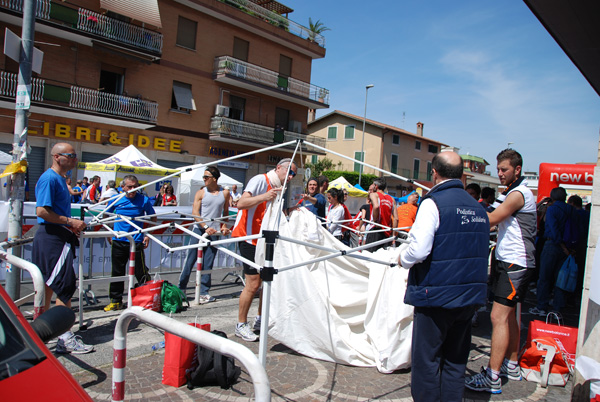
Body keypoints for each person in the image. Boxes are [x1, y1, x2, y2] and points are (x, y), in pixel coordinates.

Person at [400, 151, 489, 402]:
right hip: (468, 297)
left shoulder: (433, 202)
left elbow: (418, 250)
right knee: (455, 361)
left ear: (434, 173)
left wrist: (401, 259)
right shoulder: (478, 208)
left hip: (436, 295)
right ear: (462, 174)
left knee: (427, 360)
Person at [465, 149, 536, 394]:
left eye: (504, 169)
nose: (500, 174)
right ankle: (512, 364)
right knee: (509, 316)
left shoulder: (518, 194)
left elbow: (491, 219)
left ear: (517, 169)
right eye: (498, 169)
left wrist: (462, 208)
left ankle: (493, 376)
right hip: (508, 261)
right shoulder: (509, 193)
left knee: (497, 317)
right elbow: (489, 212)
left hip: (516, 263)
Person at [32, 142, 93, 354]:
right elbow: (42, 211)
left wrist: (69, 225)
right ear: (58, 157)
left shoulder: (59, 179)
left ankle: (40, 333)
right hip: (52, 239)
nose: (75, 159)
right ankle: (64, 337)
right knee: (63, 286)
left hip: (56, 236)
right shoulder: (50, 178)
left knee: (49, 285)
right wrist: (70, 222)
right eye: (71, 155)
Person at [232, 158, 297, 341]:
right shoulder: (261, 180)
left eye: (294, 174)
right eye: (289, 172)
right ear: (278, 168)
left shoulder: (279, 188)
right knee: (252, 284)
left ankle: (260, 319)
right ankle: (241, 324)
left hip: (264, 238)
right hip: (248, 237)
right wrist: (265, 196)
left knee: (265, 282)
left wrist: (292, 211)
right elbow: (241, 203)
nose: (291, 177)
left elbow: (269, 212)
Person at [104, 175, 157, 311]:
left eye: (135, 186)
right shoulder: (116, 199)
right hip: (119, 240)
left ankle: (147, 298)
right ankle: (116, 300)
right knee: (117, 272)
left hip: (136, 241)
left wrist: (147, 234)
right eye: (130, 187)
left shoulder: (144, 200)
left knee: (141, 271)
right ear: (123, 187)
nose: (133, 189)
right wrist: (110, 231)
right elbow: (105, 215)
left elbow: (153, 217)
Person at [179, 166, 230, 303]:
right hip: (200, 230)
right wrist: (205, 226)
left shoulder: (224, 193)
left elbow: (225, 213)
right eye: (203, 177)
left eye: (206, 177)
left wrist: (224, 226)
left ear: (214, 178)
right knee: (190, 260)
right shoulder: (201, 192)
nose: (204, 179)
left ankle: (204, 292)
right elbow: (195, 213)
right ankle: (181, 288)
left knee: (208, 262)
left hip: (214, 231)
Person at [529, 187, 576, 316]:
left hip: (552, 245)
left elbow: (553, 230)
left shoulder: (552, 209)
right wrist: (567, 248)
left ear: (552, 197)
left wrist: (560, 244)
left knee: (544, 277)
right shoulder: (570, 209)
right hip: (567, 249)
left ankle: (542, 307)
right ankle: (557, 308)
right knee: (560, 279)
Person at [365, 178, 396, 252]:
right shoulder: (392, 199)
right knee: (383, 257)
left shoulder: (374, 195)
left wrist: (375, 220)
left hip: (375, 229)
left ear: (376, 186)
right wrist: (394, 235)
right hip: (387, 232)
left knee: (369, 255)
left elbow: (376, 206)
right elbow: (396, 218)